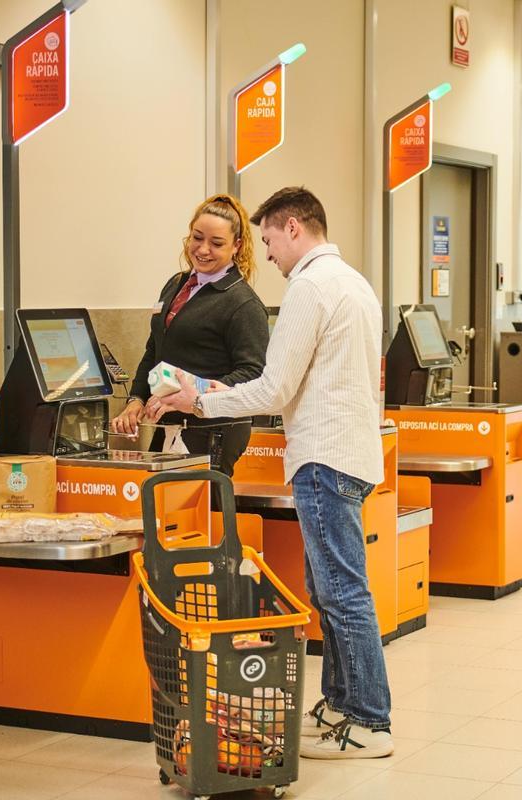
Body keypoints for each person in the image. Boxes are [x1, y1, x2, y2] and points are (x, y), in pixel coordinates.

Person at [146, 187, 392, 759]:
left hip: (324, 457)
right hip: (351, 452)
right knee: (327, 590)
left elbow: (274, 387)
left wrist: (198, 402)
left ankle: (369, 721)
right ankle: (338, 702)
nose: (270, 255)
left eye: (269, 240)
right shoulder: (354, 281)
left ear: (293, 229)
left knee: (342, 592)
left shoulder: (309, 287)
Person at [110, 194, 269, 478]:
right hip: (169, 424)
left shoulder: (243, 303)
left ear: (237, 246)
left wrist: (194, 392)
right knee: (163, 509)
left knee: (201, 513)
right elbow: (154, 349)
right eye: (197, 238)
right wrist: (135, 399)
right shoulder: (177, 284)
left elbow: (252, 373)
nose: (203, 249)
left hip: (212, 429)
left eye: (217, 243)